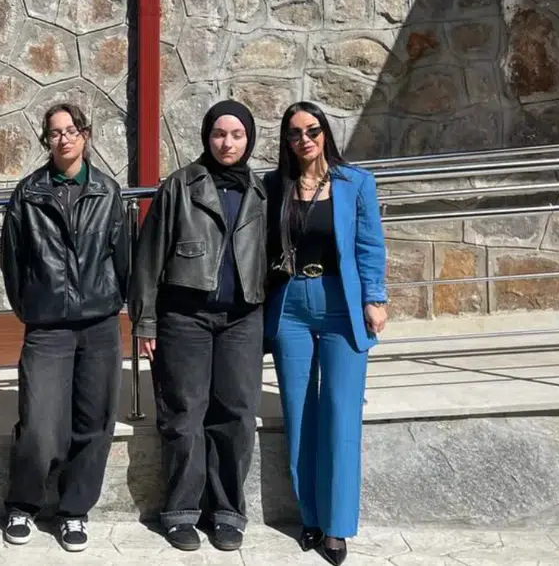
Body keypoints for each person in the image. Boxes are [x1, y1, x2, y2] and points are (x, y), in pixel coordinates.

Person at [129, 100, 269, 553]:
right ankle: (181, 513)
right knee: (184, 415)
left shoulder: (260, 190)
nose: (227, 143)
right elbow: (148, 256)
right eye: (219, 134)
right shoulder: (181, 185)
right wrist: (145, 320)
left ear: (249, 139)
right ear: (207, 137)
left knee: (236, 415)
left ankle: (227, 513)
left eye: (237, 135)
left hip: (242, 319)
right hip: (184, 318)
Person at [0, 104, 130, 553]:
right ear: (46, 140)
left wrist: (112, 301)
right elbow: (12, 260)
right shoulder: (28, 193)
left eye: (71, 130)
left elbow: (122, 256)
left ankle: (74, 511)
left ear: (85, 135)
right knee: (39, 423)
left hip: (99, 324)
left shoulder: (107, 191)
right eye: (55, 133)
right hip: (47, 326)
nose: (64, 139)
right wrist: (32, 307)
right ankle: (22, 504)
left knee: (94, 422)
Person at [264, 101, 388, 566]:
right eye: (295, 133)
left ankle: (337, 525)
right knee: (300, 412)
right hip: (291, 305)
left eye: (312, 130)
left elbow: (370, 244)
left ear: (325, 132)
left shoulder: (356, 182)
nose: (305, 139)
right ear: (287, 141)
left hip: (342, 303)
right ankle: (311, 516)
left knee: (340, 412)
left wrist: (375, 297)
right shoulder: (274, 186)